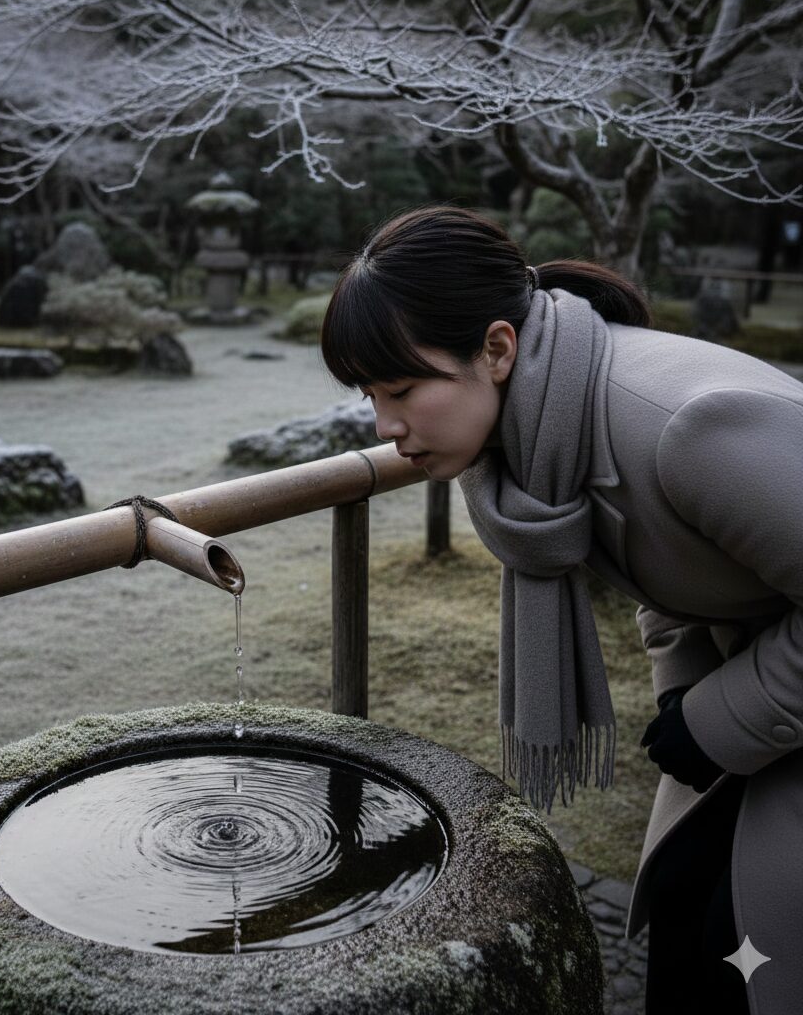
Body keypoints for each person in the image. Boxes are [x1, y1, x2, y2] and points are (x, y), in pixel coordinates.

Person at [319, 205, 803, 1015]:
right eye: (372, 394)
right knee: (688, 937)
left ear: (497, 348)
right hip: (764, 713)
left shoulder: (691, 427)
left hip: (774, 714)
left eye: (402, 388)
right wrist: (685, 693)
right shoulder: (542, 440)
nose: (387, 427)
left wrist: (719, 718)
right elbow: (674, 567)